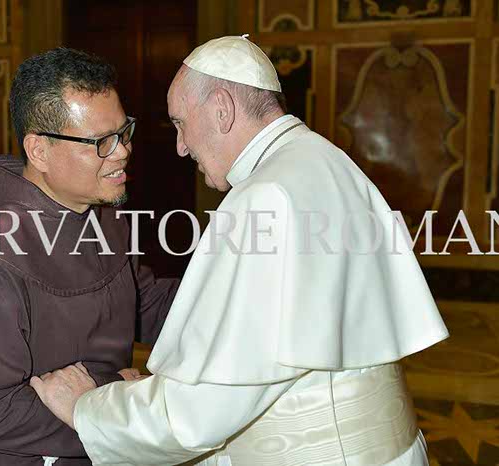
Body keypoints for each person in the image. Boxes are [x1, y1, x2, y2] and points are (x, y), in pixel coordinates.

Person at [29, 35, 450, 466]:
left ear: (222, 109)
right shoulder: (325, 159)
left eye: (180, 123)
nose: (181, 146)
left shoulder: (263, 197)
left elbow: (201, 412)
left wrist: (89, 407)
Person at [0, 47, 179, 466]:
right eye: (101, 142)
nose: (122, 151)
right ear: (39, 150)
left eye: (124, 132)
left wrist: (232, 290)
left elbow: (142, 301)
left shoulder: (102, 213)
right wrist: (110, 402)